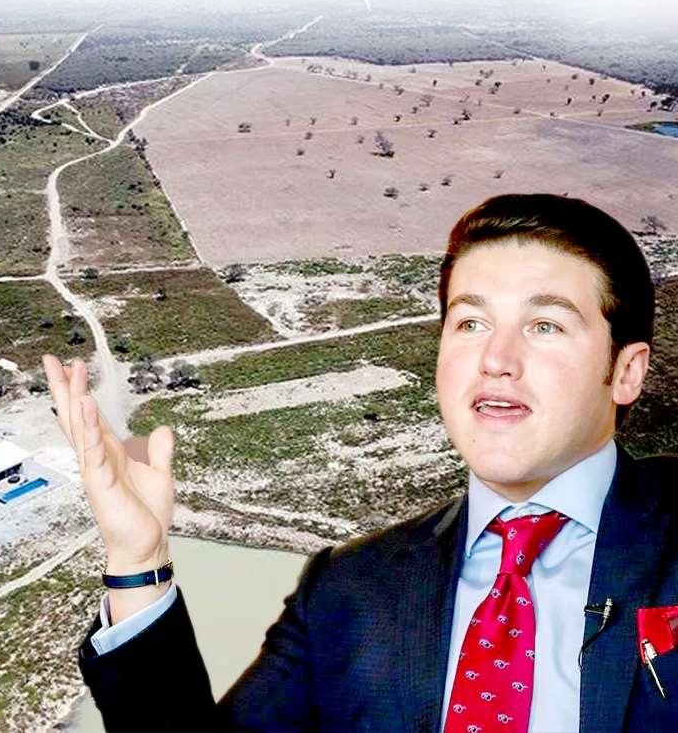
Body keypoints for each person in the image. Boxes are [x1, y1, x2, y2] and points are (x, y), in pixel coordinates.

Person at [44, 194, 678, 732]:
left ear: (626, 371)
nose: (496, 359)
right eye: (470, 323)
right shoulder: (347, 589)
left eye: (544, 326)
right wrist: (139, 561)